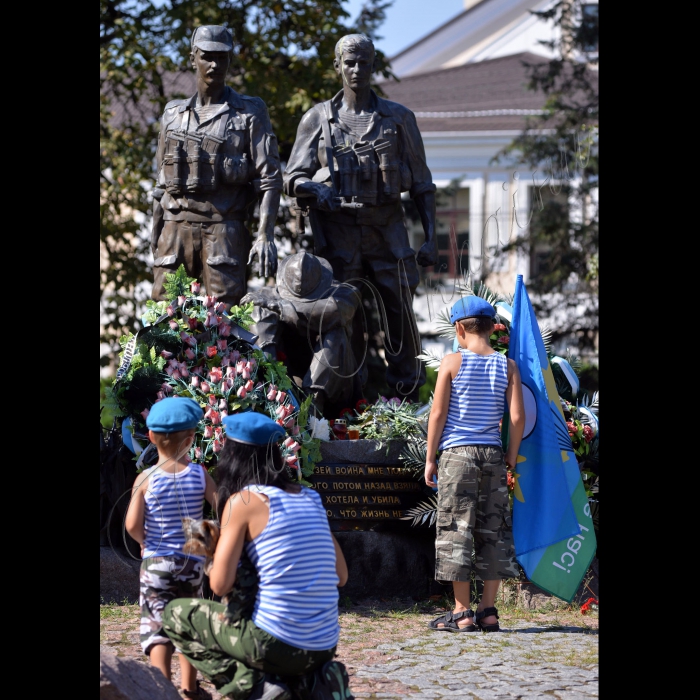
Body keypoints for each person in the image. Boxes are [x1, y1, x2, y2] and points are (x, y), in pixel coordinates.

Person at [283, 33, 437, 403]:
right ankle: (348, 402)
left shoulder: (399, 119)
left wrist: (430, 238)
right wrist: (316, 189)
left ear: (373, 66)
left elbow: (422, 184)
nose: (356, 70)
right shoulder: (318, 119)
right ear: (337, 67)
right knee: (342, 320)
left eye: (363, 63)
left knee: (399, 316)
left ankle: (407, 402)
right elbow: (291, 177)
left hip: (389, 233)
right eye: (349, 63)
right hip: (338, 238)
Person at [161, 412, 352, 700]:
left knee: (176, 614)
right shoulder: (310, 498)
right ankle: (297, 685)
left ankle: (255, 687)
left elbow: (220, 586)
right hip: (324, 647)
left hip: (274, 643)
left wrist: (210, 549)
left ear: (232, 456)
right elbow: (342, 575)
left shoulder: (243, 502)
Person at [150, 25, 283, 308]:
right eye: (207, 56)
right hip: (174, 231)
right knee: (164, 317)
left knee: (226, 318)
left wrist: (265, 235)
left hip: (223, 230)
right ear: (192, 58)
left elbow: (270, 178)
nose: (215, 64)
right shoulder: (172, 114)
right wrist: (154, 232)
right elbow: (160, 184)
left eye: (222, 57)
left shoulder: (249, 112)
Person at [423, 296, 525, 633]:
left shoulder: (452, 363)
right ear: (493, 328)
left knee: (456, 530)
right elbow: (516, 417)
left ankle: (462, 612)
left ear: (458, 328)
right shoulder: (507, 367)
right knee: (493, 530)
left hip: (457, 456)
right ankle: (489, 611)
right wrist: (510, 455)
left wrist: (429, 457)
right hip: (493, 455)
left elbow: (437, 414)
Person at [125, 396, 218, 698]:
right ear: (192, 439)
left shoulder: (146, 478)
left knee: (157, 625)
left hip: (157, 563)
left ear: (150, 436)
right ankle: (189, 687)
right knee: (189, 621)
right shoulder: (200, 474)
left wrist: (144, 542)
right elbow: (222, 508)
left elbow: (132, 525)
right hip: (191, 562)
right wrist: (204, 541)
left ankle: (163, 688)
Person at [241, 250, 362, 417]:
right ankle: (274, 387)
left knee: (336, 333)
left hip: (336, 388)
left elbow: (334, 311)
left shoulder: (344, 293)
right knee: (261, 312)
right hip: (289, 382)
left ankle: (313, 403)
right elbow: (259, 327)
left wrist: (282, 307)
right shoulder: (268, 296)